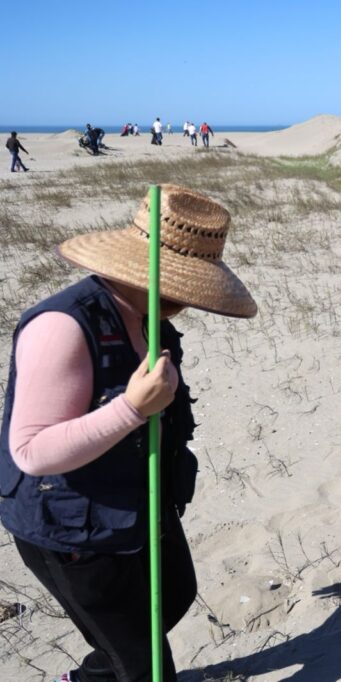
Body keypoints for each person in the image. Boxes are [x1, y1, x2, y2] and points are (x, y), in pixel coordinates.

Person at [0, 185, 257, 682]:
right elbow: (31, 451)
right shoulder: (63, 326)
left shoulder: (146, 314)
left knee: (176, 593)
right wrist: (131, 410)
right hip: (72, 528)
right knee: (144, 665)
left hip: (137, 502)